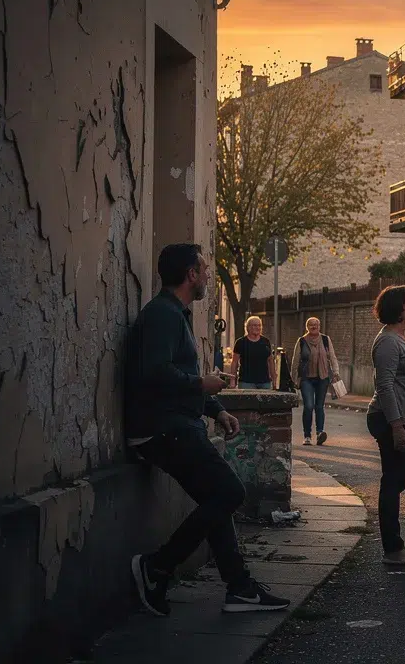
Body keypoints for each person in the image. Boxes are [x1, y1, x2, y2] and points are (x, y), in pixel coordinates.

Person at [126, 243, 288, 616]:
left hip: (177, 425)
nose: (208, 277)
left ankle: (240, 588)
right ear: (190, 275)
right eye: (204, 269)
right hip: (164, 429)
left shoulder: (174, 314)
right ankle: (158, 566)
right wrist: (202, 386)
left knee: (218, 498)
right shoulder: (163, 315)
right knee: (230, 492)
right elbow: (155, 373)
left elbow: (179, 375)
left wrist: (215, 409)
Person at [366, 285, 405, 566]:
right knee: (393, 482)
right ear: (398, 310)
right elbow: (385, 386)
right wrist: (397, 426)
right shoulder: (388, 341)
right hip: (391, 419)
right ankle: (393, 548)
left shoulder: (401, 336)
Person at [290, 316, 341, 446]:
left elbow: (332, 357)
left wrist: (336, 372)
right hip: (306, 378)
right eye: (311, 325)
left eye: (316, 325)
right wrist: (293, 378)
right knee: (308, 406)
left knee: (319, 406)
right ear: (307, 327)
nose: (314, 327)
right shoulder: (301, 341)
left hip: (322, 377)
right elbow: (295, 361)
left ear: (319, 326)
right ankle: (307, 436)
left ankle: (319, 433)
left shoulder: (325, 339)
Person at [232, 316, 276, 390]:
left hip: (264, 382)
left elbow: (270, 361)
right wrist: (232, 380)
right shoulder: (240, 342)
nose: (257, 327)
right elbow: (234, 362)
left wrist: (274, 380)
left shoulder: (266, 342)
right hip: (246, 382)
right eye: (255, 325)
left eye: (259, 325)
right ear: (248, 327)